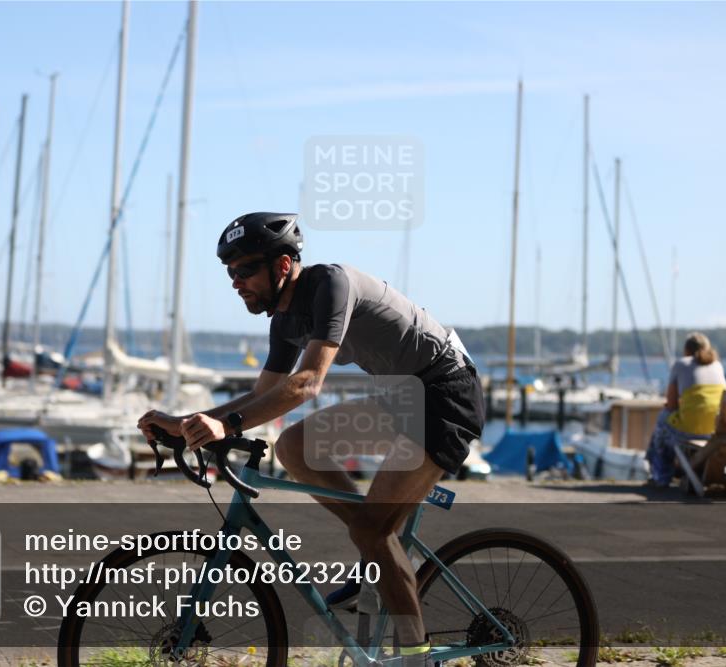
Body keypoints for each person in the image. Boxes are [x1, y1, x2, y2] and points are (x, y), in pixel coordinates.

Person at [138, 212, 484, 665]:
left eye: (244, 270)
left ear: (282, 266)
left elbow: (305, 384)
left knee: (369, 530)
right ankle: (379, 552)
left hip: (444, 394)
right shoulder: (283, 320)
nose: (235, 282)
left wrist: (229, 425)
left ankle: (415, 653)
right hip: (401, 397)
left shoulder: (331, 287)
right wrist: (187, 422)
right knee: (293, 447)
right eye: (230, 272)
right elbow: (264, 394)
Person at [645, 332, 726, 487]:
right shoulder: (717, 365)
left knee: (663, 420)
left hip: (690, 430)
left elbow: (671, 405)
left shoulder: (681, 364)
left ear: (686, 349)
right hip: (716, 430)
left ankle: (661, 476)